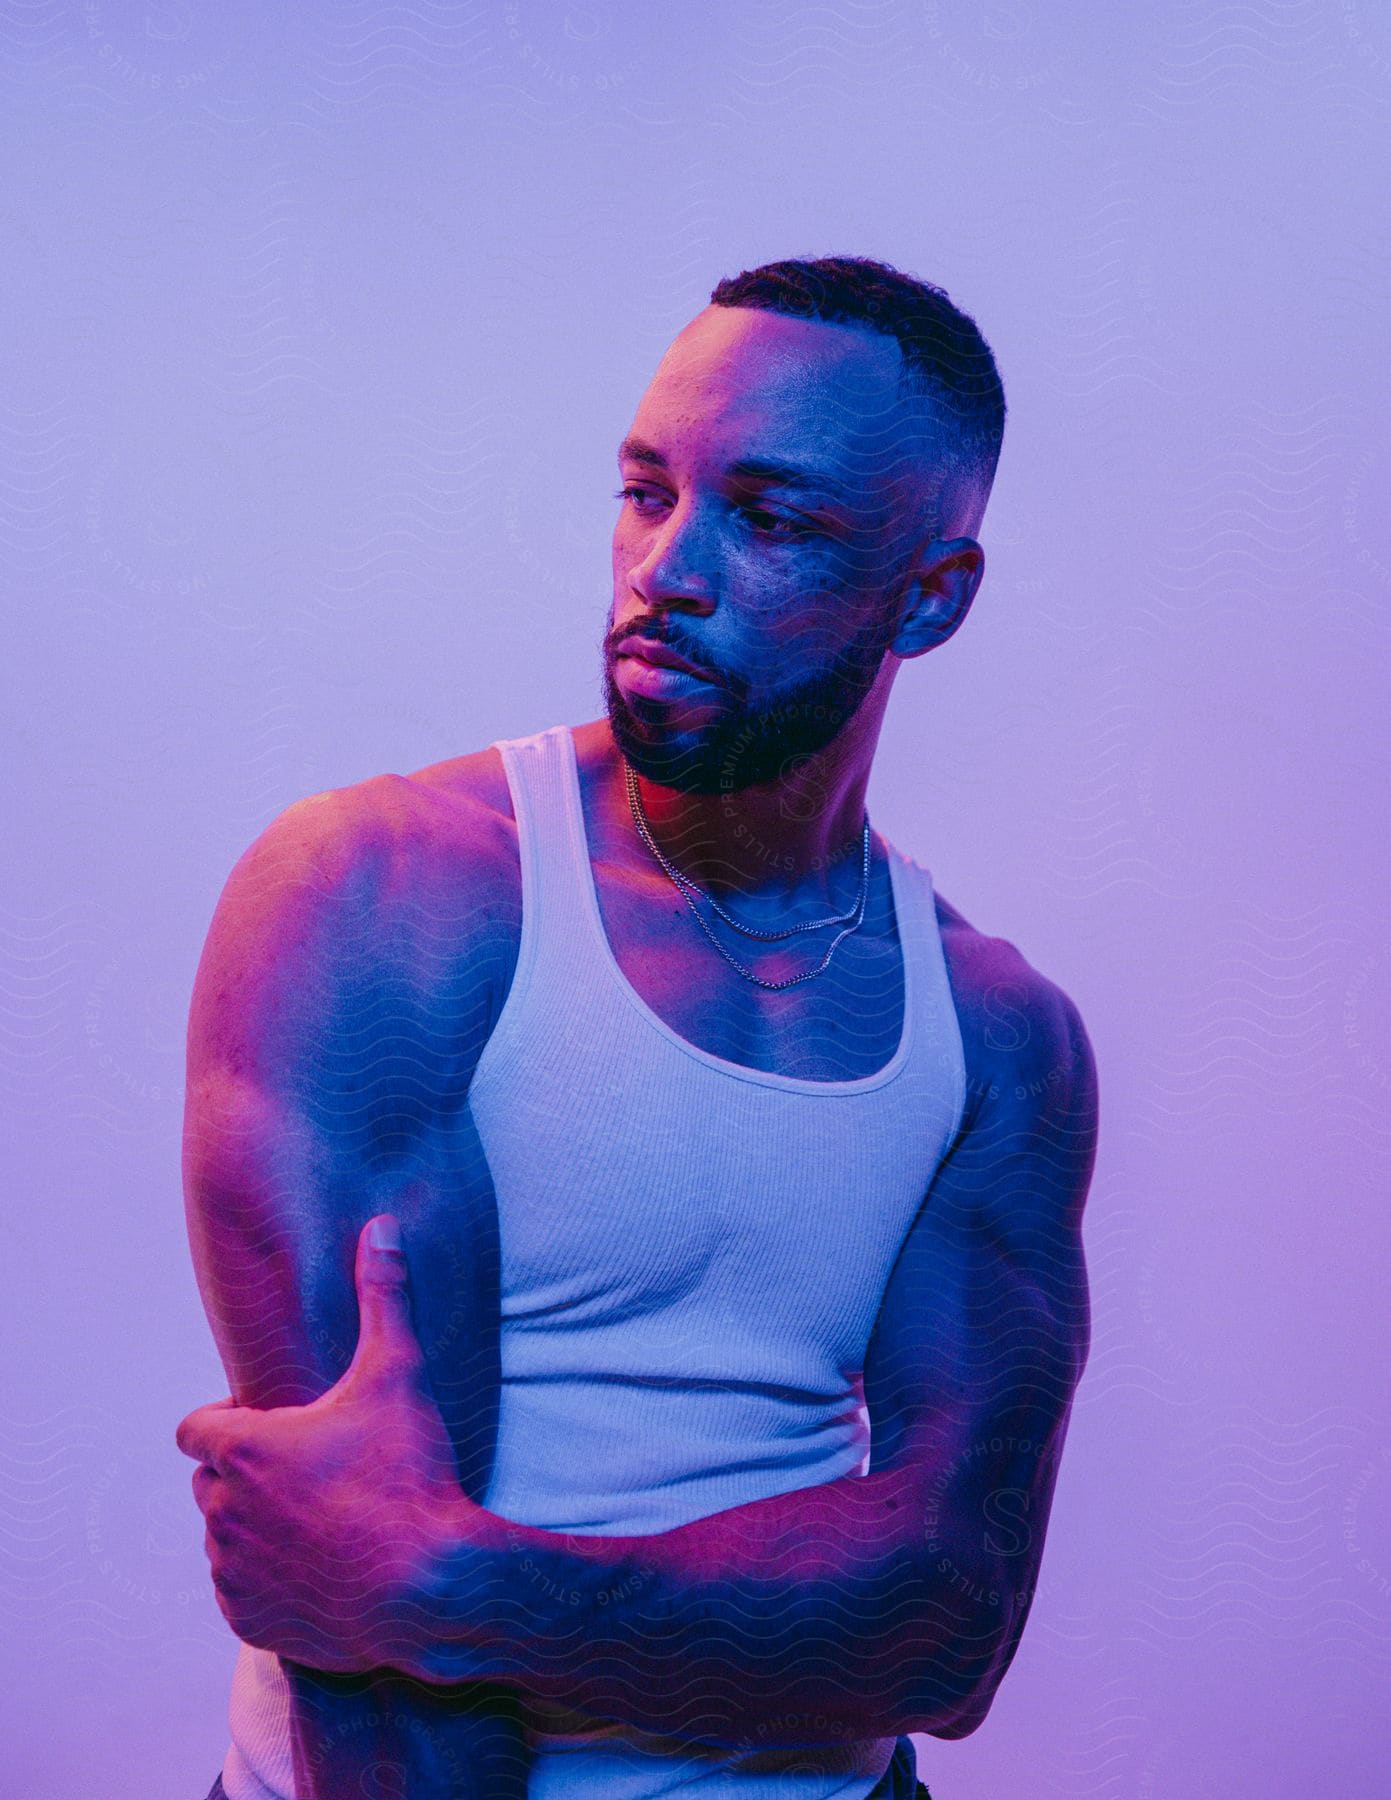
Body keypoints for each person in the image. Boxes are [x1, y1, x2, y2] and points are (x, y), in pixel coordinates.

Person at [176, 255, 1097, 1800]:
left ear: (929, 597)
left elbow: (949, 1623)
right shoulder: (386, 899)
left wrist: (464, 1589)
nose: (668, 566)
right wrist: (437, 1596)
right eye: (647, 491)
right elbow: (377, 1679)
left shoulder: (998, 1035)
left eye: (770, 517)